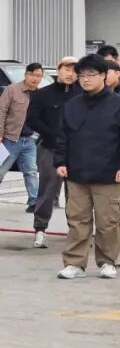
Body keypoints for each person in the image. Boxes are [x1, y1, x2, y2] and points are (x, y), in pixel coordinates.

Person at [54, 54, 120, 280]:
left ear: (104, 76)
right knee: (77, 220)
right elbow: (62, 136)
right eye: (82, 75)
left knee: (108, 222)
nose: (86, 79)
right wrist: (60, 161)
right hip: (77, 172)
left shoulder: (116, 104)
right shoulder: (72, 105)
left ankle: (108, 261)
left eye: (91, 74)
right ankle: (74, 263)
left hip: (109, 173)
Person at [27, 56, 81, 248]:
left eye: (74, 70)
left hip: (77, 151)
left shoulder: (82, 95)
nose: (70, 74)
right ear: (58, 70)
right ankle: (40, 229)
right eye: (67, 69)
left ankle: (76, 231)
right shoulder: (43, 94)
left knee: (76, 193)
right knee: (47, 190)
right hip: (50, 148)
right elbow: (32, 119)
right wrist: (52, 134)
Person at [0, 63, 43, 215]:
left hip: (29, 139)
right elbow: (1, 111)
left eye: (39, 76)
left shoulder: (40, 94)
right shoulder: (12, 90)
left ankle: (33, 202)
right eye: (33, 75)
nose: (35, 79)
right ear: (26, 74)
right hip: (10, 139)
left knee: (31, 171)